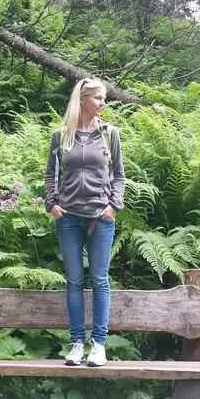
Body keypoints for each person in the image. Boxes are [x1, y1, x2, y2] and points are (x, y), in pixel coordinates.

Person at [44, 78, 125, 367]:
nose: (103, 103)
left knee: (100, 280)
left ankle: (99, 345)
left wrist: (113, 206)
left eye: (104, 99)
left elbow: (119, 175)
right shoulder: (61, 135)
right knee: (75, 280)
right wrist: (51, 204)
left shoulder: (109, 134)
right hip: (68, 218)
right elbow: (50, 174)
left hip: (100, 218)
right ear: (83, 100)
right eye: (99, 98)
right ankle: (77, 344)